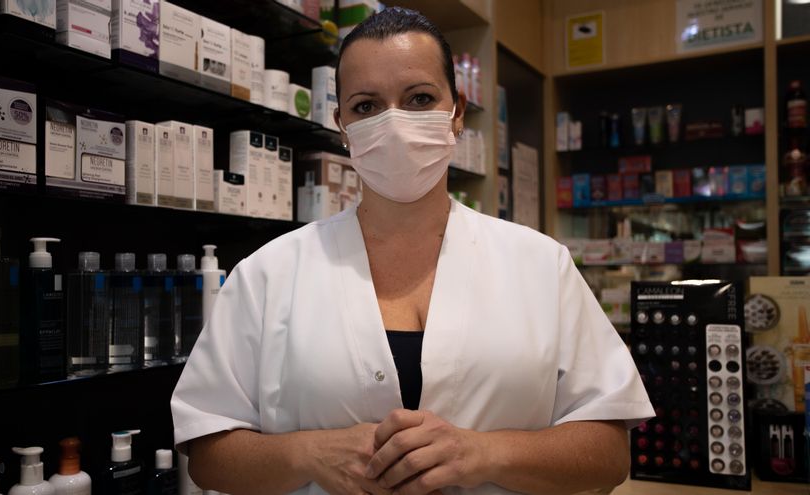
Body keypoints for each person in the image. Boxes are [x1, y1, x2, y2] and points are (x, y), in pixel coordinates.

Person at [171, 7, 653, 495]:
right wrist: (308, 454)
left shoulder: (540, 266)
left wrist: (484, 453)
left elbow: (609, 453)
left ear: (456, 113)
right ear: (342, 127)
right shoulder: (268, 275)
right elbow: (209, 455)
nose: (395, 125)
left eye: (420, 98)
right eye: (366, 106)